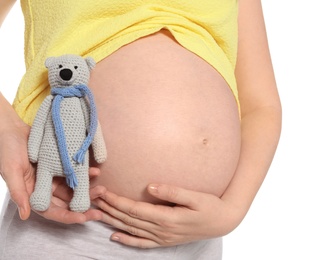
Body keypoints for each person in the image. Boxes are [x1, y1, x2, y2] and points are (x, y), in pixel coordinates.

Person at [0, 0, 281, 259]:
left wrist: (232, 211)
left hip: (194, 237)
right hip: (69, 220)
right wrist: (5, 128)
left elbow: (261, 106)